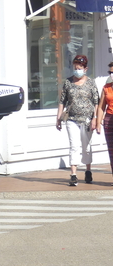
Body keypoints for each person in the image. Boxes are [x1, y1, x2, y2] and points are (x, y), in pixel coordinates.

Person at [56, 54, 99, 186]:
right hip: (72, 119)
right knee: (74, 145)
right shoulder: (68, 82)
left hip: (87, 119)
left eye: (80, 67)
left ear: (85, 69)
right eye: (75, 67)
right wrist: (58, 118)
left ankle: (88, 170)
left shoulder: (91, 82)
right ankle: (73, 174)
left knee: (86, 146)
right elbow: (62, 101)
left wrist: (95, 118)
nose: (77, 70)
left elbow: (96, 102)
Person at [95, 61, 113, 184]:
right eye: (110, 72)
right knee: (112, 150)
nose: (111, 74)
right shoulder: (106, 88)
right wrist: (98, 122)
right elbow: (101, 106)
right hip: (109, 120)